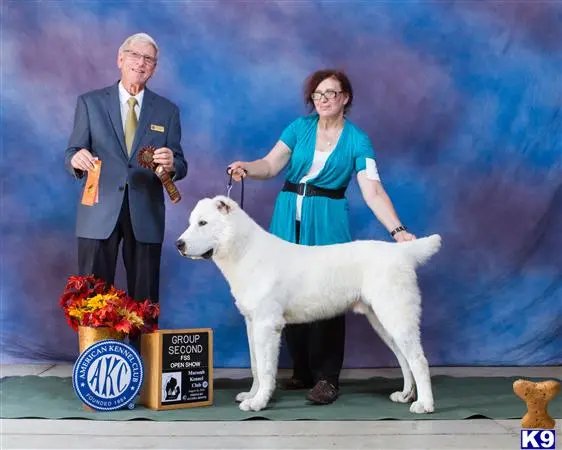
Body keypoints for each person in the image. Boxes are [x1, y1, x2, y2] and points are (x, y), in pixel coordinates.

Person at [228, 69, 416, 405]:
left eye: (331, 93)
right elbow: (270, 165)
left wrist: (398, 231)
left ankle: (327, 378)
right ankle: (301, 371)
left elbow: (372, 190)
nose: (324, 99)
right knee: (285, 290)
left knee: (330, 295)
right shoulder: (299, 128)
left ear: (345, 98)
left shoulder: (358, 139)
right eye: (318, 94)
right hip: (288, 213)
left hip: (327, 216)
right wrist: (247, 167)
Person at [64, 33, 187, 348]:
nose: (140, 63)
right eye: (135, 55)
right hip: (98, 211)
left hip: (145, 213)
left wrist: (172, 163)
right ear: (120, 59)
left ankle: (142, 370)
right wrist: (76, 159)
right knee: (93, 296)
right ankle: (97, 369)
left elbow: (180, 163)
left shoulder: (167, 111)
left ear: (154, 68)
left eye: (148, 59)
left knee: (145, 297)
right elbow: (73, 152)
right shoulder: (90, 102)